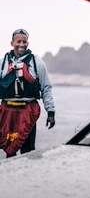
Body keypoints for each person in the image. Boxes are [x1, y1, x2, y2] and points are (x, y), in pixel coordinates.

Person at [0, 29, 55, 158]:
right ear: (12, 43)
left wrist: (51, 112)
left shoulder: (38, 63)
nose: (22, 44)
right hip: (7, 112)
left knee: (28, 151)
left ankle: (27, 175)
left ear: (28, 44)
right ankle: (10, 177)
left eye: (24, 42)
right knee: (9, 150)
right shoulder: (2, 63)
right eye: (18, 41)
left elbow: (46, 88)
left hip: (28, 111)